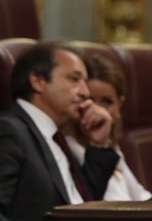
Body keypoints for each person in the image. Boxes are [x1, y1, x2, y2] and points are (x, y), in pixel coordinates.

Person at [0, 41, 119, 221]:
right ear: (38, 81)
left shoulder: (56, 137)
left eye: (85, 82)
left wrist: (99, 144)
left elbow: (85, 204)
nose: (85, 92)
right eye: (74, 79)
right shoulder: (10, 131)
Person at [63, 54, 152, 201]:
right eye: (89, 100)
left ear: (120, 104)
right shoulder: (66, 147)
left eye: (107, 102)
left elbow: (140, 198)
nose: (98, 110)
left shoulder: (109, 144)